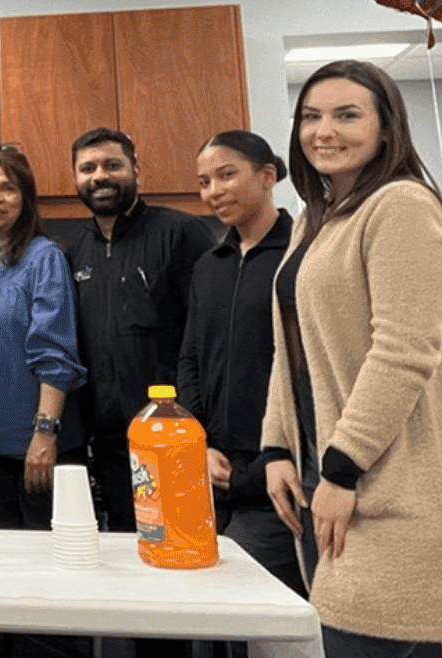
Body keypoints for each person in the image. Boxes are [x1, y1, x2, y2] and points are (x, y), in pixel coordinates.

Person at [263, 59, 442, 656]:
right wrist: (278, 447)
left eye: (346, 114)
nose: (323, 131)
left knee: (368, 640)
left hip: (388, 480)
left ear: (386, 128)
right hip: (324, 475)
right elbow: (292, 348)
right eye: (310, 116)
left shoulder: (401, 206)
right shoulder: (316, 220)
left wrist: (343, 468)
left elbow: (404, 352)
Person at [0, 145, 87, 658]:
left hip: (34, 452)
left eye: (8, 187)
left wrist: (44, 435)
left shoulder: (43, 258)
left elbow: (55, 353)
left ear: (26, 197)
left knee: (47, 592)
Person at [178, 131, 302, 658]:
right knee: (202, 623)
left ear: (268, 175)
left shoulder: (301, 257)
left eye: (227, 175)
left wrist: (259, 465)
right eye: (204, 181)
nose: (213, 192)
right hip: (209, 478)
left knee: (273, 630)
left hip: (276, 479)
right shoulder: (210, 265)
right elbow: (191, 359)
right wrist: (197, 442)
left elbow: (305, 372)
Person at [63, 127, 215, 533]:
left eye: (113, 165)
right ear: (75, 178)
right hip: (110, 443)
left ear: (135, 170)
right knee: (130, 545)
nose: (100, 176)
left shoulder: (181, 234)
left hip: (175, 438)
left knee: (180, 545)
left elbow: (209, 338)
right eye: (88, 168)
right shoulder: (76, 252)